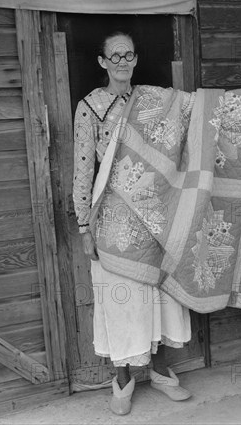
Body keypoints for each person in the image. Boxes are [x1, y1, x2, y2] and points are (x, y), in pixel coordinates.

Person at [72, 32, 192, 415]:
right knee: (120, 300)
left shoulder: (155, 101)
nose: (123, 61)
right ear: (102, 62)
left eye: (129, 54)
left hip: (154, 218)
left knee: (160, 297)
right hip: (112, 222)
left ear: (136, 59)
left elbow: (192, 114)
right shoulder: (90, 107)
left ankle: (159, 371)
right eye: (115, 55)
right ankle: (122, 380)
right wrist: (83, 225)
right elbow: (83, 169)